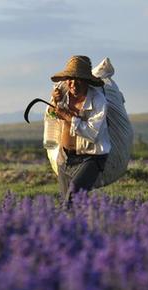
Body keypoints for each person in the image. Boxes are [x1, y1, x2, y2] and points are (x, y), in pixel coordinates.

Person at [47, 55, 111, 206]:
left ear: (87, 81)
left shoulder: (98, 101)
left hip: (91, 158)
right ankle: (81, 226)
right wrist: (54, 103)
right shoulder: (62, 95)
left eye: (78, 79)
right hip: (65, 158)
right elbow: (52, 117)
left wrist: (68, 116)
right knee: (69, 201)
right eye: (70, 79)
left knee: (71, 198)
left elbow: (92, 133)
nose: (73, 84)